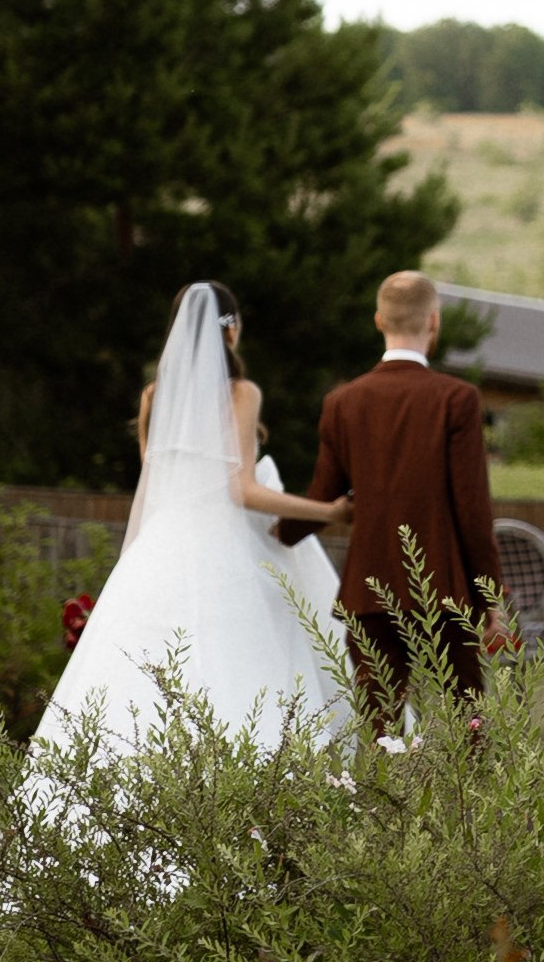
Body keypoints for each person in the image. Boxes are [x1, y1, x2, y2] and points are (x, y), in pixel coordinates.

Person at [32, 281, 351, 754]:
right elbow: (242, 490)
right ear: (232, 330)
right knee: (240, 663)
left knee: (140, 668)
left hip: (160, 548)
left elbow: (152, 487)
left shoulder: (154, 395)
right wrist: (328, 511)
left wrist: (128, 566)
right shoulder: (241, 394)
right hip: (225, 550)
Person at [281, 269, 498, 715]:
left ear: (379, 320)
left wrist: (274, 531)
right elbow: (471, 507)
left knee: (381, 731)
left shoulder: (343, 402)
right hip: (445, 592)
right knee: (467, 726)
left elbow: (323, 497)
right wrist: (489, 594)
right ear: (434, 321)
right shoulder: (456, 399)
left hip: (369, 589)